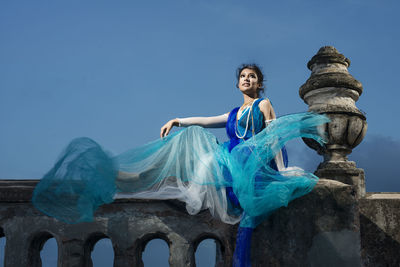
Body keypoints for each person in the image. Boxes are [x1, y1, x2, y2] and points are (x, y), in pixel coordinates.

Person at [32, 64, 329, 267]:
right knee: (190, 139)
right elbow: (204, 120)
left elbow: (275, 139)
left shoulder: (263, 105)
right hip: (229, 163)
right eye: (242, 76)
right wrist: (176, 119)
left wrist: (281, 171)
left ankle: (136, 177)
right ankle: (131, 177)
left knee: (194, 158)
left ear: (260, 83)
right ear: (237, 83)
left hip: (252, 165)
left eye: (252, 76)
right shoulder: (234, 111)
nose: (247, 79)